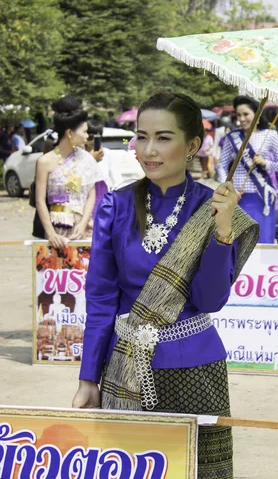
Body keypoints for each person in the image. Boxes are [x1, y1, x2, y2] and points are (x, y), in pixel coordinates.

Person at [72, 92, 259, 479]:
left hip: (194, 369)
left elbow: (209, 300)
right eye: (141, 136)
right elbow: (102, 299)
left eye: (163, 137)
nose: (148, 150)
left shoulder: (215, 207)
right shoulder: (116, 206)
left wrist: (221, 232)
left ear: (193, 145)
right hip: (124, 368)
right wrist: (89, 378)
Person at [218, 95, 278, 243]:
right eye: (238, 115)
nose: (242, 119)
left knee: (262, 241)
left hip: (263, 199)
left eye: (246, 114)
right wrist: (228, 187)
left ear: (257, 114)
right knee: (239, 243)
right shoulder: (232, 137)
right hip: (238, 197)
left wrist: (265, 163)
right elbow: (222, 166)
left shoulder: (270, 135)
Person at [35, 96, 98, 249]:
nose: (87, 136)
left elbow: (91, 194)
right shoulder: (44, 162)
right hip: (56, 230)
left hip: (83, 230)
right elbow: (40, 201)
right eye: (84, 132)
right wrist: (51, 233)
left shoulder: (87, 159)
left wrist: (83, 223)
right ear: (70, 133)